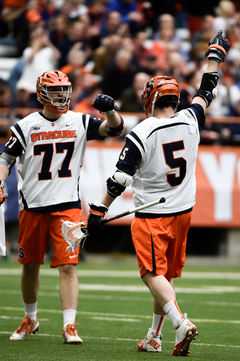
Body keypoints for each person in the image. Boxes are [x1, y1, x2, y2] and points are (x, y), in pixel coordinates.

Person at [86, 31, 230, 355]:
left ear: (149, 99)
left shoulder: (143, 131)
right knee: (164, 275)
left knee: (151, 275)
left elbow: (119, 179)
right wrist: (215, 56)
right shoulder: (192, 119)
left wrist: (98, 210)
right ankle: (154, 335)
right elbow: (207, 89)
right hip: (184, 212)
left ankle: (180, 322)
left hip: (153, 215)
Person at [0, 69, 125, 343]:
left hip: (67, 205)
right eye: (56, 90)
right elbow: (5, 158)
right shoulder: (26, 125)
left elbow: (114, 129)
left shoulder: (79, 120)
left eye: (64, 89)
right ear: (42, 94)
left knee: (69, 266)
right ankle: (30, 319)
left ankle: (69, 325)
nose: (62, 95)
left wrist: (112, 110)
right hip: (32, 205)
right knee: (30, 264)